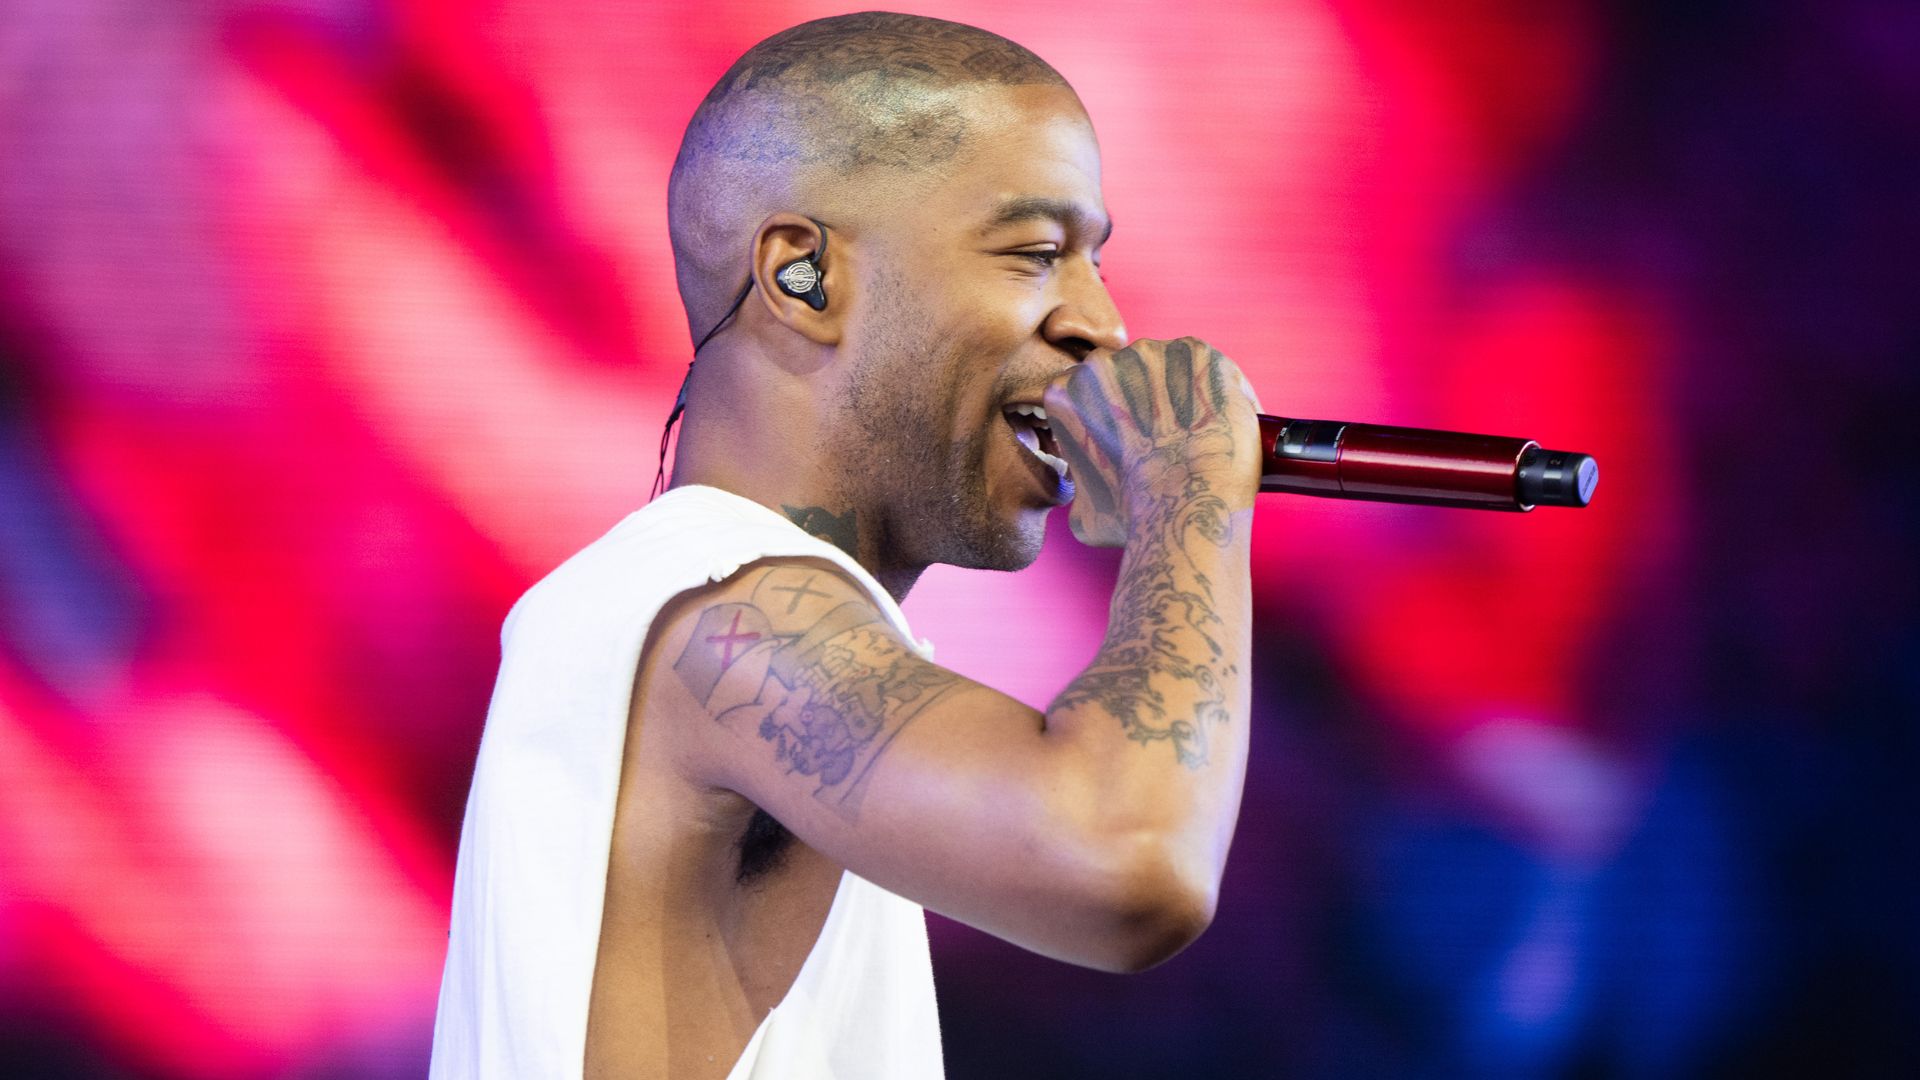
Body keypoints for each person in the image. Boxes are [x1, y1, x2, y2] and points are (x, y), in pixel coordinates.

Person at [430, 12, 1263, 1079]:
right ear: (802, 276)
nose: (1101, 325)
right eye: (1036, 255)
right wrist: (1189, 495)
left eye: (1095, 261)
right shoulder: (723, 609)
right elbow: (1127, 856)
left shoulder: (702, 607)